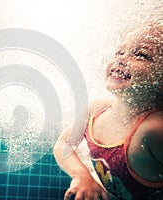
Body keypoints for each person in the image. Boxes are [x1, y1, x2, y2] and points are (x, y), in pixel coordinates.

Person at [53, 21, 163, 200]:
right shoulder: (95, 110)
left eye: (141, 55)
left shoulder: (154, 130)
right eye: (120, 52)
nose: (121, 59)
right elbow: (63, 144)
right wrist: (82, 176)